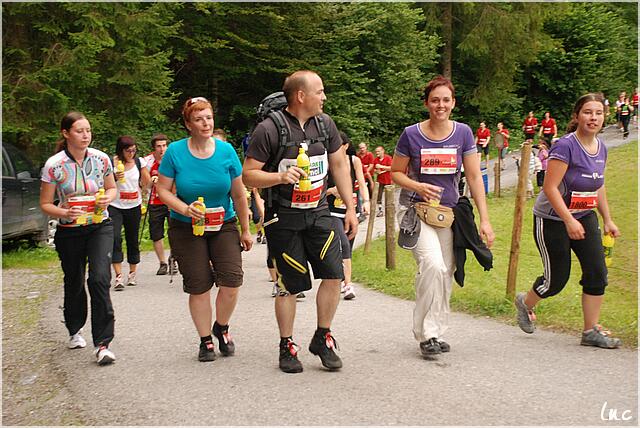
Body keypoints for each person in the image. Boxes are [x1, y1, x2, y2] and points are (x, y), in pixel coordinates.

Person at [243, 70, 357, 373]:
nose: (324, 97)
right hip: (284, 218)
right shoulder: (269, 130)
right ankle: (287, 344)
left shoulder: (325, 125)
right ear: (301, 96)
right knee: (288, 286)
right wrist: (280, 176)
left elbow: (338, 165)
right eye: (319, 91)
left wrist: (350, 206)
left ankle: (322, 336)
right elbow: (249, 174)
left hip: (319, 213)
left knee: (334, 275)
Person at [391, 76, 495, 358]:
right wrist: (417, 186)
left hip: (448, 213)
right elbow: (395, 173)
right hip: (415, 211)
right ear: (427, 103)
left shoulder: (462, 133)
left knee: (446, 271)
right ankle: (424, 335)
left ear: (453, 103)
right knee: (433, 265)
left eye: (445, 100)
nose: (440, 105)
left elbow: (474, 176)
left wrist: (484, 220)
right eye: (435, 100)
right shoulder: (411, 134)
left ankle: (434, 331)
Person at [514, 93, 622, 349]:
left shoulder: (602, 147)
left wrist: (607, 219)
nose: (593, 117)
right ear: (577, 116)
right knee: (555, 282)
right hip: (552, 219)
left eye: (598, 113)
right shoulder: (565, 146)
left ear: (604, 116)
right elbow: (550, 188)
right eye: (587, 112)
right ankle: (525, 303)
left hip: (585, 216)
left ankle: (590, 331)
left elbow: (598, 185)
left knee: (598, 272)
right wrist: (568, 220)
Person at [156, 97, 253, 362]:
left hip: (223, 224)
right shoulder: (175, 152)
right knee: (198, 285)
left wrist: (246, 229)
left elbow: (239, 194)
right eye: (198, 119)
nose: (205, 123)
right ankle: (205, 341)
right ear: (188, 124)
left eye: (208, 117)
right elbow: (162, 190)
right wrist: (185, 208)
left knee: (232, 280)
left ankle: (221, 327)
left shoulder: (226, 151)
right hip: (187, 226)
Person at [39, 112, 118, 365]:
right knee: (74, 279)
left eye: (88, 131)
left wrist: (108, 197)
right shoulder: (54, 165)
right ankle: (74, 329)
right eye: (79, 131)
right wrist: (65, 211)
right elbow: (45, 204)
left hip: (99, 225)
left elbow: (112, 187)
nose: (86, 135)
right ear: (66, 133)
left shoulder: (101, 159)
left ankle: (103, 344)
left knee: (99, 278)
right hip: (69, 229)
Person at [327, 132, 370, 301]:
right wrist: (331, 191)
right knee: (343, 244)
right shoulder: (327, 162)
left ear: (345, 146)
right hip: (332, 211)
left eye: (338, 145)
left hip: (350, 209)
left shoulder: (354, 161)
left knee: (348, 246)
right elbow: (317, 186)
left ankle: (339, 278)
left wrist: (366, 201)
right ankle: (348, 285)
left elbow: (362, 182)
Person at [111, 136, 150, 290]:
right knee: (115, 237)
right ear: (121, 150)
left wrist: (149, 182)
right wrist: (114, 176)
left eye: (134, 150)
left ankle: (132, 273)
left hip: (134, 205)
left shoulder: (139, 163)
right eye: (128, 151)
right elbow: (104, 181)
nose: (131, 153)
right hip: (115, 205)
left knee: (132, 239)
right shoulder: (112, 162)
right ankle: (118, 276)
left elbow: (147, 182)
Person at [143, 133, 175, 275]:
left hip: (172, 201)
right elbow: (144, 186)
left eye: (164, 146)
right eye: (158, 146)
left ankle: (173, 259)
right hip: (155, 201)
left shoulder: (172, 159)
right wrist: (152, 181)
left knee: (175, 231)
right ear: (153, 148)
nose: (162, 149)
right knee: (156, 234)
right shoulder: (147, 162)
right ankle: (162, 262)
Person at [372, 145, 392, 217]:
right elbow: (374, 169)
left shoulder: (388, 158)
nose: (377, 153)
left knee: (388, 196)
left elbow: (391, 168)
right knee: (379, 196)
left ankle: (390, 209)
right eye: (376, 151)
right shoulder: (376, 160)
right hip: (380, 180)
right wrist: (376, 171)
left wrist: (381, 167)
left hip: (388, 180)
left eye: (378, 151)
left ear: (382, 151)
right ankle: (380, 210)